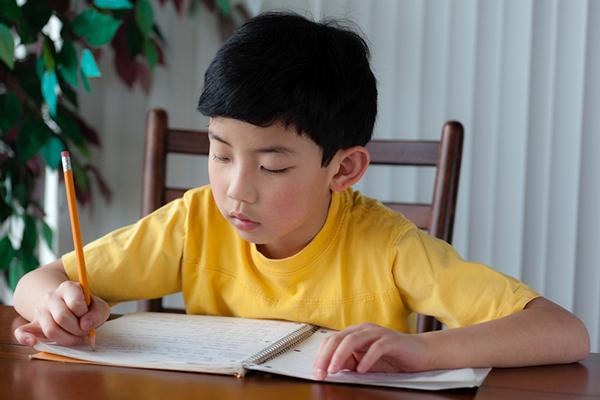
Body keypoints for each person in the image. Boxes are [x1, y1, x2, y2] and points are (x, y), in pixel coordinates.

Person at [13, 12, 589, 379]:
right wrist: (54, 307)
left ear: (344, 169)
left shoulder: (387, 248)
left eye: (272, 165)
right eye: (219, 154)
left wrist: (425, 352)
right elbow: (30, 283)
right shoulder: (193, 222)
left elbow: (566, 333)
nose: (236, 189)